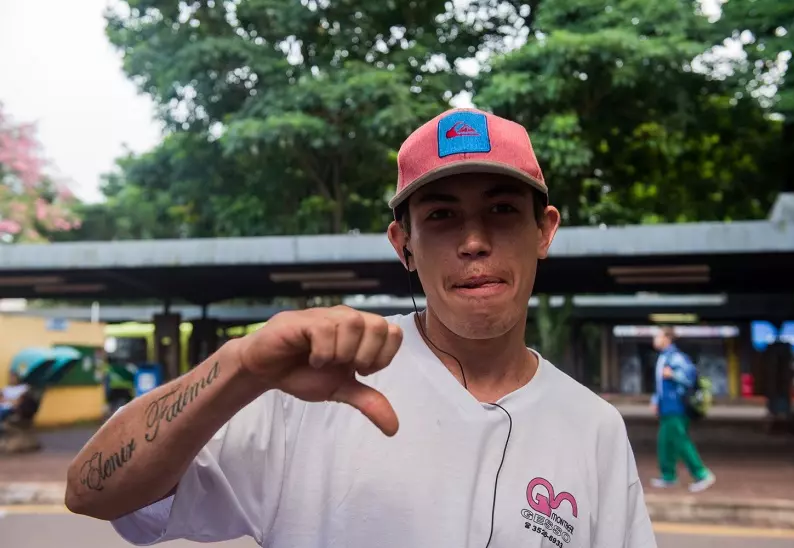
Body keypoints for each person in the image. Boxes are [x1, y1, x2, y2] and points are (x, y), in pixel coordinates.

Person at [65, 108, 656, 548]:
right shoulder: (310, 386)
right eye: (442, 215)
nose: (474, 241)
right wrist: (239, 366)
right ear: (404, 245)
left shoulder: (593, 428)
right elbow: (91, 492)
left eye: (502, 210)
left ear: (544, 230)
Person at [649, 327, 715, 493]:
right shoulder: (664, 357)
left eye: (658, 336)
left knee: (680, 440)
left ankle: (701, 473)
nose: (655, 339)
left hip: (677, 406)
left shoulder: (676, 358)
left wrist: (673, 375)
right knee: (665, 442)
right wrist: (656, 401)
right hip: (666, 407)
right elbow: (660, 385)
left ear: (667, 338)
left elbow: (689, 379)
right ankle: (668, 475)